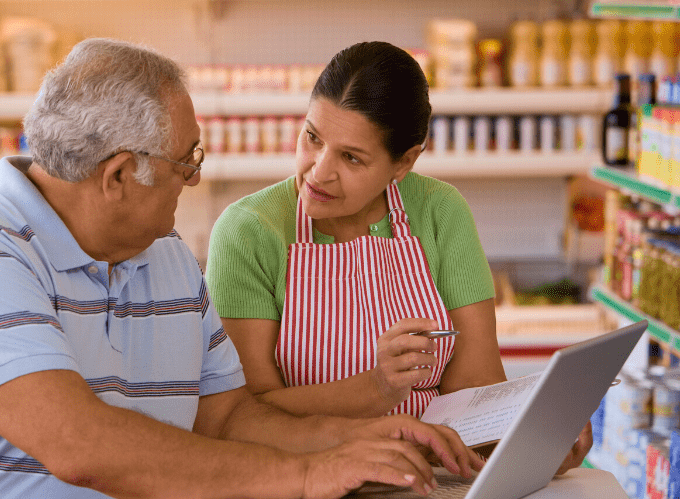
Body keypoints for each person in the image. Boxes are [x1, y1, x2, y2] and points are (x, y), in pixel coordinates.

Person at [0, 38, 484, 499]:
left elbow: (228, 417)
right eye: (187, 162)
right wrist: (311, 474)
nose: (194, 180)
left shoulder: (169, 262)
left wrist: (363, 441)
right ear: (120, 175)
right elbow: (80, 444)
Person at [205, 41, 591, 472]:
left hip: (434, 476)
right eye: (312, 137)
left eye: (351, 157)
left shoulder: (440, 211)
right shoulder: (248, 232)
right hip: (304, 481)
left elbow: (474, 382)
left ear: (403, 162)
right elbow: (245, 414)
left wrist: (529, 441)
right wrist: (375, 388)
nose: (318, 170)